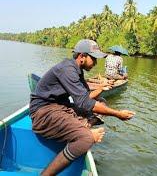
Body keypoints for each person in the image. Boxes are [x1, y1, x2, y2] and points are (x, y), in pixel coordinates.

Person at [29, 39, 135, 176]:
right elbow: (84, 102)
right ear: (82, 56)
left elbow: (87, 97)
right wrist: (117, 114)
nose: (96, 63)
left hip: (60, 106)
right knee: (86, 139)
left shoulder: (77, 70)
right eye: (94, 59)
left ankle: (81, 127)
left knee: (101, 101)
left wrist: (101, 88)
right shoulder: (67, 69)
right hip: (43, 112)